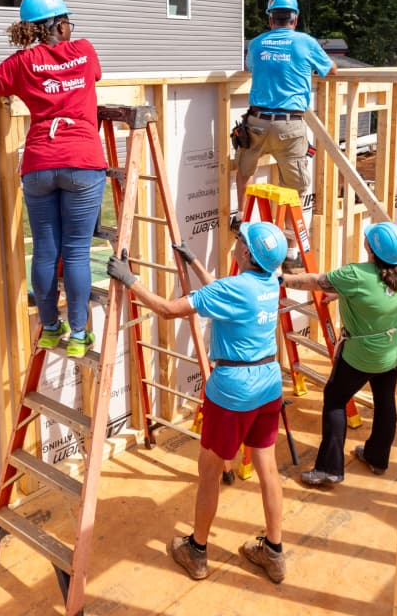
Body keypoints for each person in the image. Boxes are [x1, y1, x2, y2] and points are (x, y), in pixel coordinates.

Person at [106, 223, 289, 583]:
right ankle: (274, 552)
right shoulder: (270, 281)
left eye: (240, 239)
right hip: (268, 384)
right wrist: (193, 263)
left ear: (247, 253)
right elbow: (222, 293)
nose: (235, 242)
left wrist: (130, 280)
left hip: (232, 393)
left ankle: (197, 551)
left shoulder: (233, 289)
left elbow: (167, 309)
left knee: (209, 472)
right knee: (267, 467)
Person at [0, 0, 106, 358]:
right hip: (82, 161)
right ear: (58, 25)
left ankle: (50, 329)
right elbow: (95, 75)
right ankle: (79, 335)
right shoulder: (84, 50)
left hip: (40, 163)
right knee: (76, 252)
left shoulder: (22, 62)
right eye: (68, 22)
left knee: (45, 248)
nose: (71, 28)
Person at [282, 221, 397, 484]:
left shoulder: (355, 275)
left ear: (369, 247)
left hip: (363, 356)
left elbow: (314, 281)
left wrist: (279, 279)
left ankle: (329, 469)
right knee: (385, 400)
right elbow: (377, 294)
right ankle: (377, 458)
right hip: (393, 351)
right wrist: (343, 293)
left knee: (335, 399)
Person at [236, 0, 337, 264]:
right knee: (294, 187)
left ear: (270, 19)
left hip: (256, 123)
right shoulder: (306, 42)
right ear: (295, 19)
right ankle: (291, 247)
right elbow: (332, 70)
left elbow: (250, 67)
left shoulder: (257, 43)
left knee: (244, 172)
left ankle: (243, 223)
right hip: (289, 126)